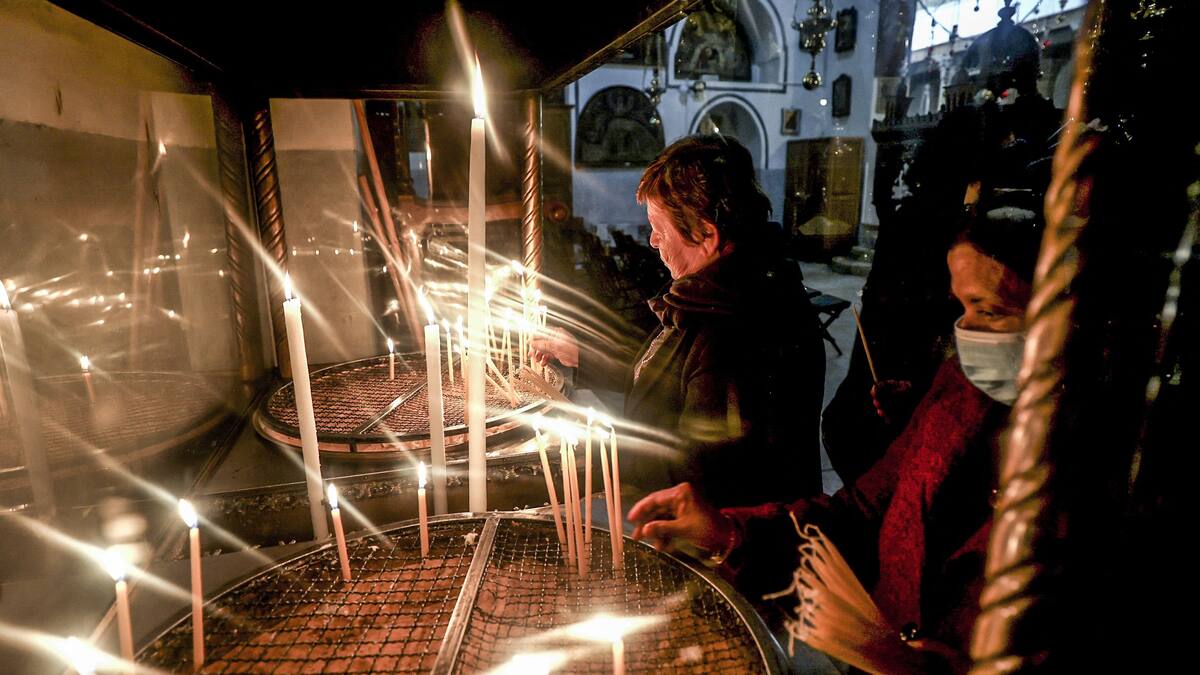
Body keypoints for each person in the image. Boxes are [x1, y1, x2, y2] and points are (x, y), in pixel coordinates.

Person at [627, 189, 1043, 668]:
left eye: (989, 310)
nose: (966, 332)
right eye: (962, 308)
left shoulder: (1117, 476)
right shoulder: (958, 393)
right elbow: (862, 510)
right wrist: (729, 533)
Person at [531, 134, 826, 507]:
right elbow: (670, 381)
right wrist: (581, 354)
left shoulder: (736, 323)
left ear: (706, 234)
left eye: (659, 227)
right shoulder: (715, 292)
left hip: (727, 548)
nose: (653, 241)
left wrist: (593, 453)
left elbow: (700, 471)